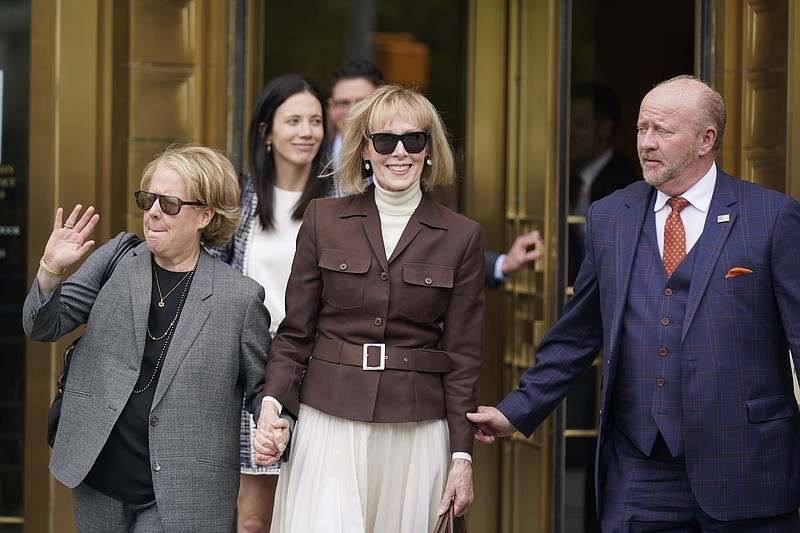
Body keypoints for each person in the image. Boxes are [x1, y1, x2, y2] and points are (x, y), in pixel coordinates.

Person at [468, 75, 800, 531]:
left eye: (662, 131)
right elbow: (578, 333)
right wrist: (516, 410)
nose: (646, 142)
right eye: (641, 129)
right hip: (641, 471)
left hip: (745, 464)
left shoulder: (772, 217)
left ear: (707, 139)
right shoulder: (610, 216)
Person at [254, 84, 486, 532]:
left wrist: (461, 456)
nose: (399, 152)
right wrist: (272, 404)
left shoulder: (463, 236)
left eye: (413, 140)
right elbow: (295, 333)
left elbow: (463, 358)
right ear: (365, 150)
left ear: (429, 150)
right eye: (385, 140)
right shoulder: (323, 219)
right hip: (329, 421)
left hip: (417, 429)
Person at [23, 144, 272, 531]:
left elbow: (264, 388)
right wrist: (50, 270)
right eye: (148, 199)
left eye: (170, 204)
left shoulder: (239, 298)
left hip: (183, 490)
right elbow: (43, 326)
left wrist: (273, 422)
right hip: (98, 475)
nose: (153, 212)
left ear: (205, 214)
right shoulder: (118, 258)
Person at [208, 73, 330, 533]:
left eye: (315, 121)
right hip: (251, 368)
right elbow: (212, 281)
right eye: (293, 120)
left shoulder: (344, 202)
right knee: (255, 518)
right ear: (266, 132)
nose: (306, 132)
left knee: (312, 513)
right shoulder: (238, 200)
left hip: (321, 371)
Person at [568, 82, 640, 284]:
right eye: (567, 123)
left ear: (605, 129)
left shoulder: (626, 184)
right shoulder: (568, 180)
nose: (569, 132)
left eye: (580, 124)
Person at [326, 58, 385, 197]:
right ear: (330, 108)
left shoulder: (399, 159)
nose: (353, 112)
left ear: (383, 105)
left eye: (363, 102)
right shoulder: (313, 161)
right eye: (343, 103)